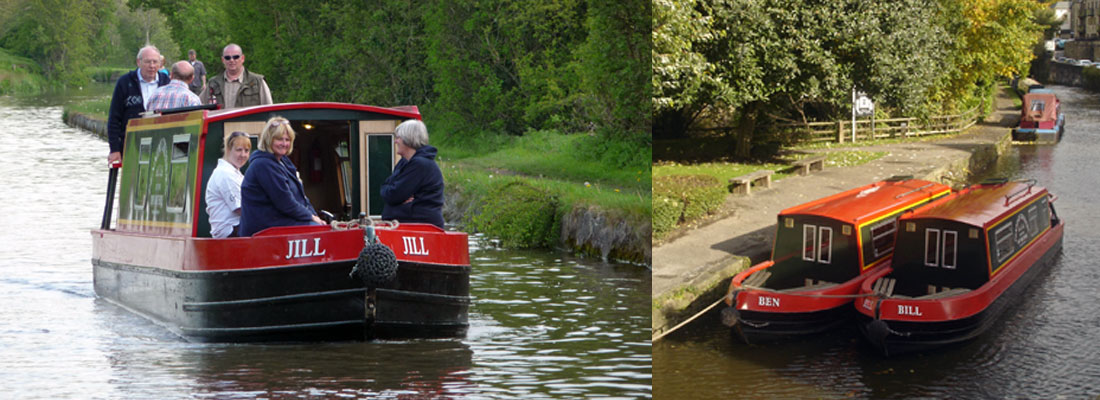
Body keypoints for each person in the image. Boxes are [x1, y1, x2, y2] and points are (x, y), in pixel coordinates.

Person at [238, 117, 324, 236]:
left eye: (287, 139)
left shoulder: (284, 161)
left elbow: (301, 197)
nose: (284, 144)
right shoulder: (263, 165)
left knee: (321, 227)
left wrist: (315, 216)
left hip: (280, 222)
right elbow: (285, 203)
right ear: (269, 139)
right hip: (263, 230)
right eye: (279, 139)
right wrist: (310, 217)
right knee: (315, 230)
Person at [107, 45, 170, 164]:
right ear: (138, 62)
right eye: (147, 62)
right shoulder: (125, 82)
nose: (152, 66)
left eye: (155, 62)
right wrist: (114, 149)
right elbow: (114, 118)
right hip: (130, 144)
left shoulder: (166, 82)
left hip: (160, 145)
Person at [380, 119, 445, 228]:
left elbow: (394, 195)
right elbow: (386, 189)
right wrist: (393, 195)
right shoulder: (404, 162)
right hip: (408, 224)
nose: (395, 141)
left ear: (408, 139)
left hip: (423, 227)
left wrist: (394, 199)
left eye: (398, 138)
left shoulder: (420, 164)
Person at [205, 131, 251, 238]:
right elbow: (240, 208)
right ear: (228, 150)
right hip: (229, 232)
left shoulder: (235, 173)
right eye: (239, 150)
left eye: (246, 151)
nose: (243, 155)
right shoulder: (225, 174)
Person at [199, 43, 273, 109]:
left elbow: (269, 110)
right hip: (220, 124)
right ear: (223, 60)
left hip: (250, 124)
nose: (231, 60)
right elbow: (199, 105)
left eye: (236, 57)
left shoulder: (257, 81)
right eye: (227, 58)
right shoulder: (213, 83)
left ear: (242, 58)